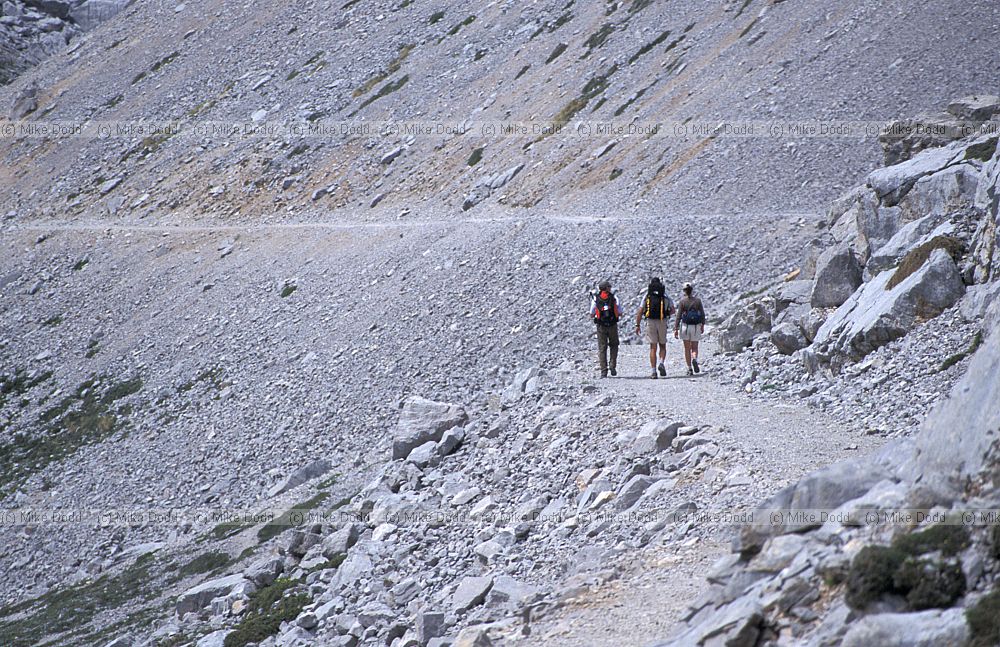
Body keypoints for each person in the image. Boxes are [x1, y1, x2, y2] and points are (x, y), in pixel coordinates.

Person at [634, 277, 674, 379]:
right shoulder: (665, 296)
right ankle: (661, 362)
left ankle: (653, 371)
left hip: (650, 321)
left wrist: (637, 325)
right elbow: (673, 310)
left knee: (653, 347)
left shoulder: (647, 296)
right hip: (662, 321)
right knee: (663, 345)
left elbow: (640, 311)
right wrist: (666, 313)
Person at [590, 280, 621, 377]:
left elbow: (591, 314)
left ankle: (604, 370)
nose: (610, 288)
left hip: (601, 326)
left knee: (602, 347)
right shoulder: (614, 298)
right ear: (607, 288)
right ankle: (612, 365)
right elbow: (620, 312)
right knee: (614, 345)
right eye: (609, 286)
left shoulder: (595, 299)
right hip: (612, 324)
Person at [674, 282, 706, 376]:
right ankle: (695, 359)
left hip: (685, 326)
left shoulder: (682, 302)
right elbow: (702, 314)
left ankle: (689, 368)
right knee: (694, 347)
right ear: (692, 290)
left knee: (687, 348)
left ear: (684, 291)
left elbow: (678, 316)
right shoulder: (698, 301)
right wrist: (703, 324)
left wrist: (676, 328)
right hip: (696, 326)